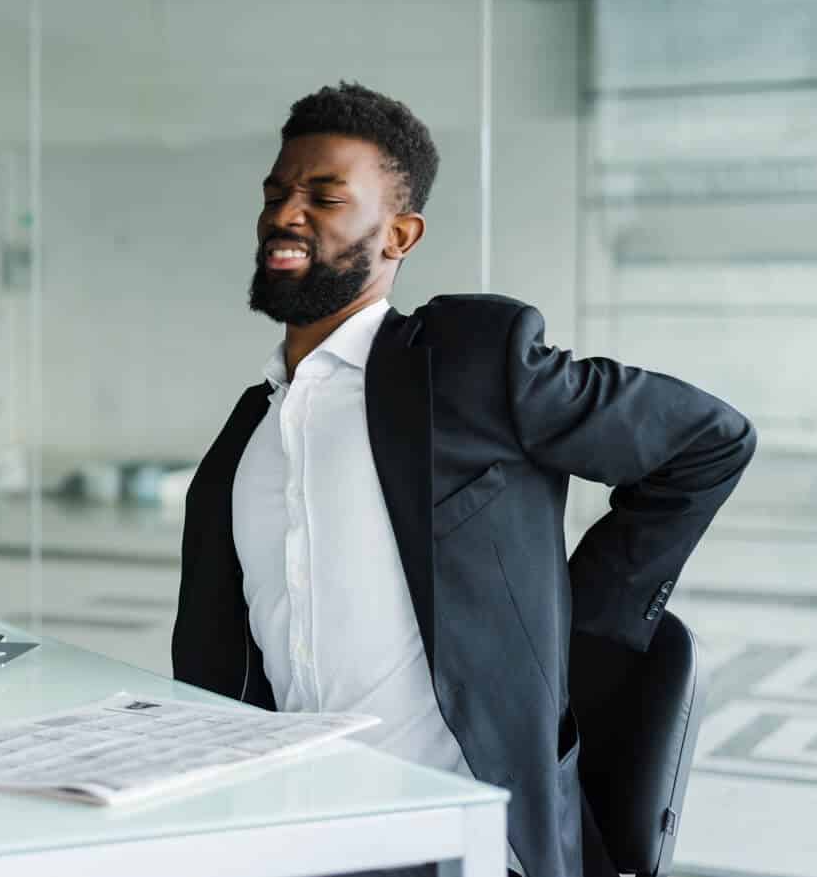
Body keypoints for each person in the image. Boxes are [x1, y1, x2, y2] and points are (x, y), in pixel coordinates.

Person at [170, 81, 756, 877]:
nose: (284, 213)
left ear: (398, 234)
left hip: (464, 838)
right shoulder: (249, 428)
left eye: (323, 196)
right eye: (275, 193)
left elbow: (706, 439)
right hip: (299, 829)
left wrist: (578, 622)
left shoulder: (467, 362)